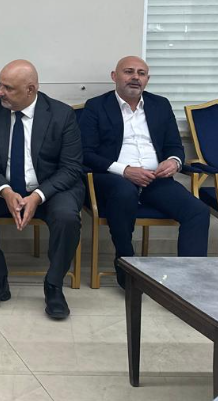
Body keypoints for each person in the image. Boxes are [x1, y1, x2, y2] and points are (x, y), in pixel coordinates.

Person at [0, 60, 84, 320]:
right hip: (2, 187)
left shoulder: (62, 114)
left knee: (67, 216)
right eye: (0, 85)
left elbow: (71, 168)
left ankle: (54, 286)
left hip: (50, 190)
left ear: (30, 89)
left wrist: (38, 196)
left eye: (7, 88)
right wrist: (5, 190)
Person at [80, 55, 209, 287]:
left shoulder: (160, 105)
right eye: (129, 72)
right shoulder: (96, 106)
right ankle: (126, 262)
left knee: (197, 211)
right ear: (114, 76)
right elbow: (85, 153)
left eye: (141, 73)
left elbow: (174, 146)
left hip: (155, 179)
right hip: (113, 178)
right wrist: (125, 171)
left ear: (147, 79)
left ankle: (191, 280)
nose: (135, 77)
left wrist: (173, 162)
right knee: (124, 192)